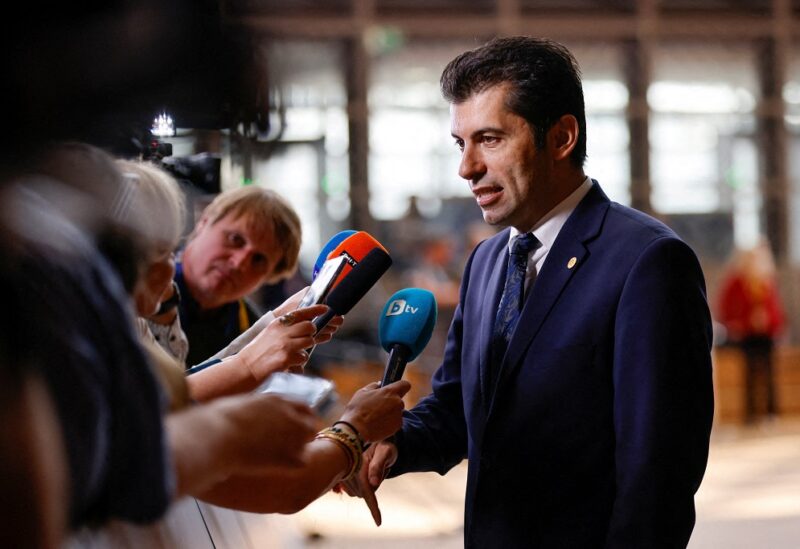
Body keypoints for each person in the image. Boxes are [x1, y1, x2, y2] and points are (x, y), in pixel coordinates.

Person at [351, 37, 715, 548]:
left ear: (562, 137)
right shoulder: (485, 261)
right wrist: (395, 442)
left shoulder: (648, 262)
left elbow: (658, 475)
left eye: (491, 139)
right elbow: (461, 408)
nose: (467, 167)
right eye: (462, 143)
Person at [150, 185, 303, 367]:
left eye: (258, 259)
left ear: (270, 276)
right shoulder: (139, 292)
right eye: (235, 239)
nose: (239, 263)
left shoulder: (258, 333)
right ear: (204, 222)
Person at [717, 238, 785, 423]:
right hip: (746, 335)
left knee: (769, 372)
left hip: (766, 335)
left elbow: (776, 310)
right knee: (749, 372)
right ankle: (752, 414)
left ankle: (772, 412)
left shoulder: (767, 282)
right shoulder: (735, 282)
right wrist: (742, 323)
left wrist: (769, 322)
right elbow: (727, 309)